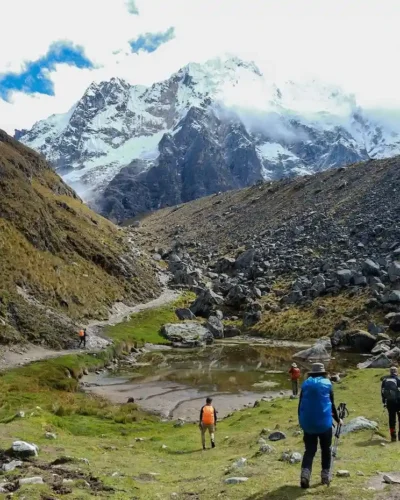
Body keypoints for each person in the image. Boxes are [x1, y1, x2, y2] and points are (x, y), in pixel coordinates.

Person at [298, 363, 342, 488]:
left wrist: (301, 421)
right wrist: (338, 420)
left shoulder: (306, 384)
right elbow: (332, 405)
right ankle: (325, 476)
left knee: (310, 450)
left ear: (311, 373)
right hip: (324, 423)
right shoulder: (328, 383)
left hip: (308, 423)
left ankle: (305, 475)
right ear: (324, 373)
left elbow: (300, 405)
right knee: (326, 449)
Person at [381, 366, 400, 441]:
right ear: (396, 372)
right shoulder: (399, 379)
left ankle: (393, 436)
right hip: (399, 402)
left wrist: (384, 402)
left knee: (392, 419)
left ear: (390, 372)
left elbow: (382, 392)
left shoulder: (385, 380)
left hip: (389, 402)